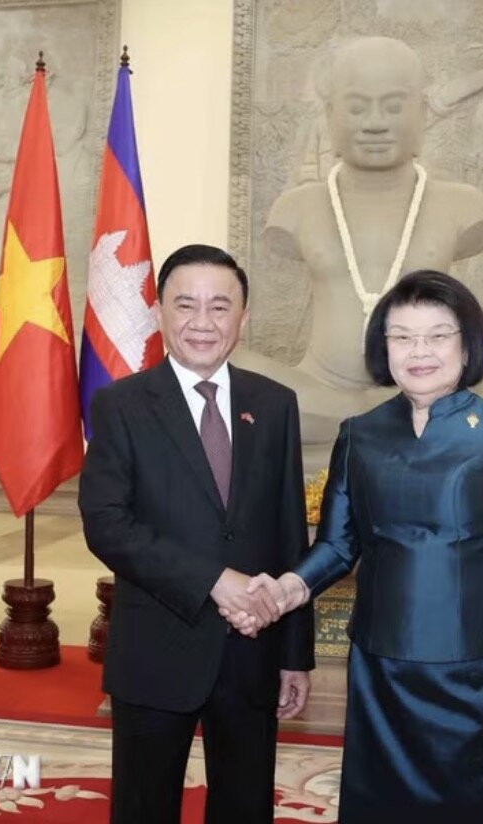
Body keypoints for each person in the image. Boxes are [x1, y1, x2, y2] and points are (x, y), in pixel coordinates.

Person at [229, 270, 483, 823]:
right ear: (383, 348)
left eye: (437, 335)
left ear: (466, 343)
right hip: (383, 672)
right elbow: (338, 545)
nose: (419, 351)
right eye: (402, 336)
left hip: (478, 677)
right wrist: (287, 588)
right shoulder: (360, 433)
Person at [233, 36, 483, 469]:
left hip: (439, 390)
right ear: (330, 117)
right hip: (322, 388)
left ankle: (376, 425)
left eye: (394, 107)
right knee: (230, 375)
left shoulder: (461, 203)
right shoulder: (296, 207)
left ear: (421, 115)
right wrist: (357, 402)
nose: (375, 123)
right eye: (357, 108)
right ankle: (396, 423)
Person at [78, 244, 314, 823]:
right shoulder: (120, 405)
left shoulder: (275, 404)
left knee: (244, 805)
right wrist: (212, 581)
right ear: (159, 312)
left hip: (253, 653)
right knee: (144, 805)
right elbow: (107, 524)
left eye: (219, 306)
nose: (202, 324)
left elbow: (290, 534)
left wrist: (295, 654)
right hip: (158, 649)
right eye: (185, 305)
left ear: (243, 317)